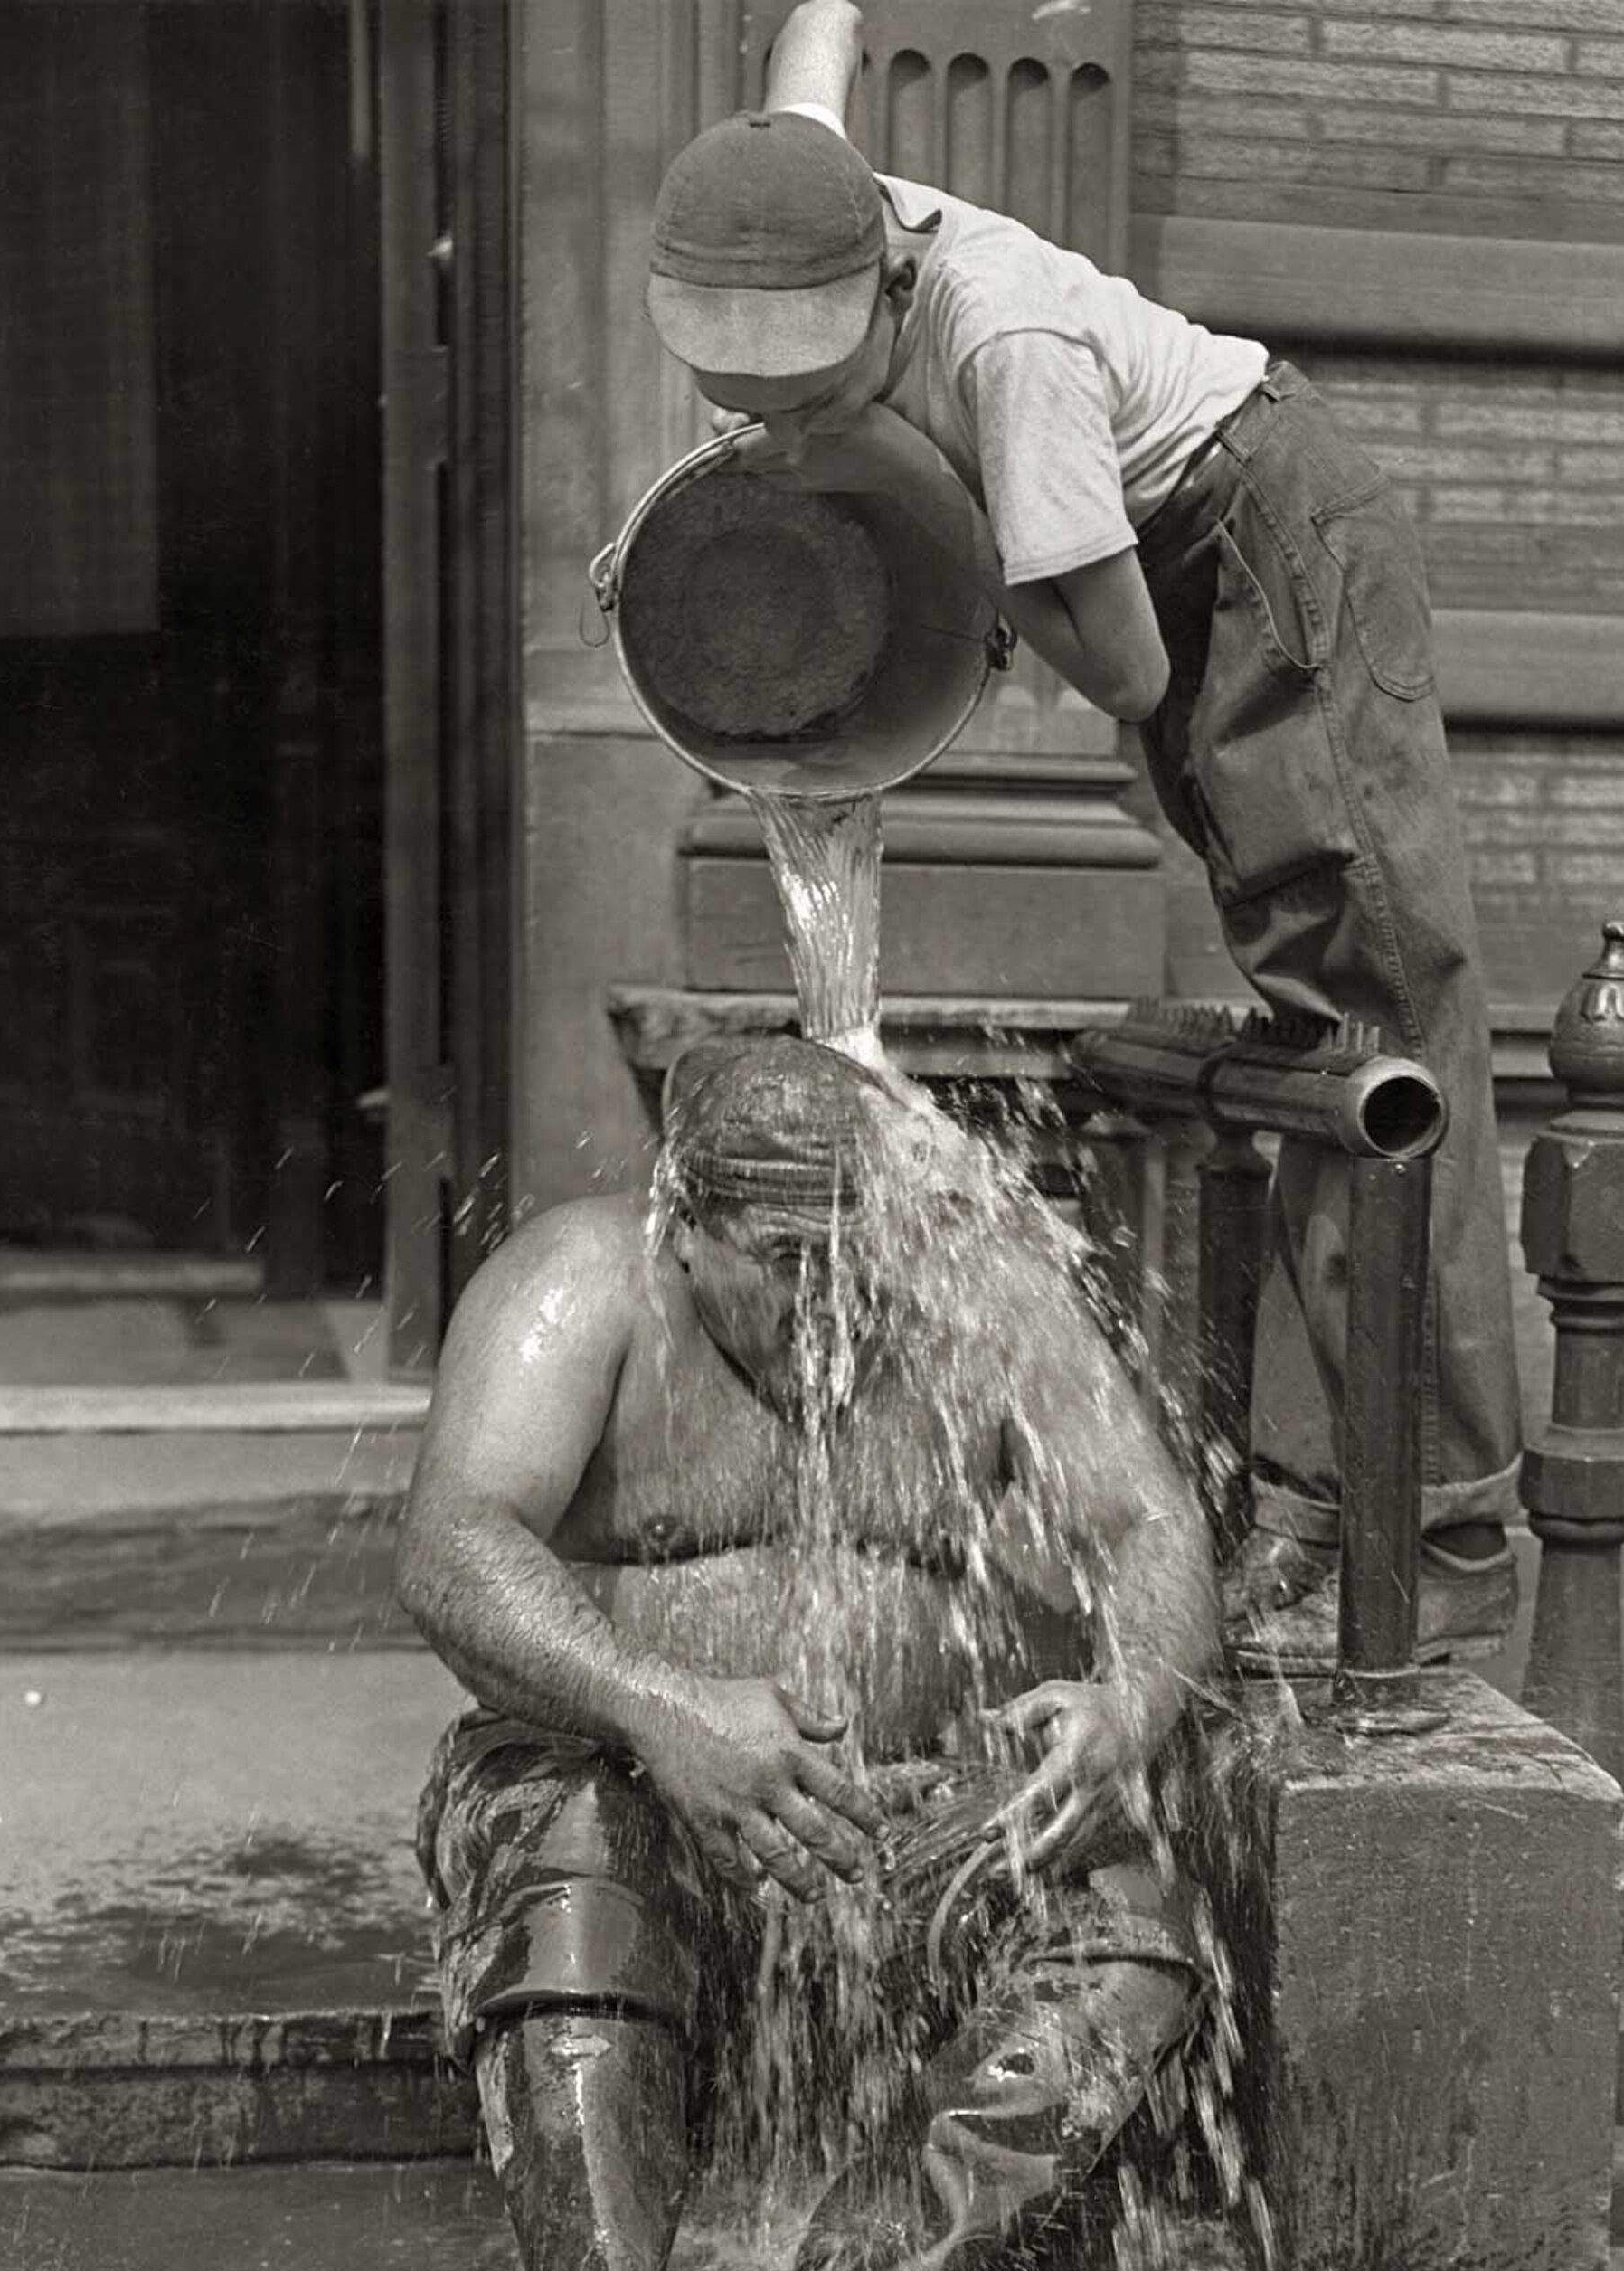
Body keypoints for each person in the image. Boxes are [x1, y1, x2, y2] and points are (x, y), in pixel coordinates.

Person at [637, 0, 1525, 1672]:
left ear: (888, 285)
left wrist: (953, 554)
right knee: (1311, 1039)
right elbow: (813, 49)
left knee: (1389, 1043)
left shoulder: (1007, 358)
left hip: (1254, 554)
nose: (804, 427)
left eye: (826, 395)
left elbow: (1120, 665)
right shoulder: (803, 191)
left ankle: (1451, 1527)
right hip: (1191, 556)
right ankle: (1320, 1507)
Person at [396, 1036, 1227, 2271]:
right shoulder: (578, 1291)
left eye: (864, 1256)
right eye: (789, 1264)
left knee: (1126, 1939)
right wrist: (659, 1708)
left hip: (900, 1812)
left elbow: (1147, 1521)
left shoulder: (976, 1295)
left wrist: (1129, 1702)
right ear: (682, 1226)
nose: (840, 1301)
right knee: (574, 1865)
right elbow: (450, 1549)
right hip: (616, 1783)